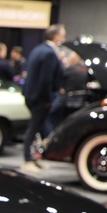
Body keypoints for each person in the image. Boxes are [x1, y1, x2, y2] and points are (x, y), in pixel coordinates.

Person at [21, 23, 66, 174]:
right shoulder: (49, 53)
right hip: (40, 98)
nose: (64, 38)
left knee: (38, 128)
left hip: (31, 95)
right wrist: (48, 99)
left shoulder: (38, 49)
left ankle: (33, 157)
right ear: (56, 37)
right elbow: (46, 80)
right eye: (63, 35)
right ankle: (27, 160)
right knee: (34, 128)